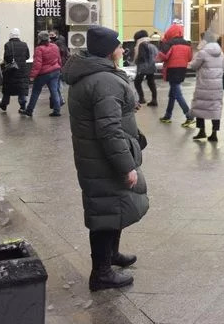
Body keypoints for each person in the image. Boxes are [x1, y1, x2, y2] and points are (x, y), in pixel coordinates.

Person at [63, 26, 148, 291]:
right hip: (104, 158)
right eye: (119, 46)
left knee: (113, 207)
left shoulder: (94, 75)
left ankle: (111, 256)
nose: (123, 50)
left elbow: (106, 113)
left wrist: (125, 105)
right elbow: (109, 129)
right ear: (110, 50)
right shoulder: (104, 80)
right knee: (106, 211)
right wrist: (126, 166)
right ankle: (101, 273)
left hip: (95, 155)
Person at [189, 32, 224, 141]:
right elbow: (223, 67)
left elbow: (194, 66)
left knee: (200, 105)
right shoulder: (221, 52)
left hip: (204, 84)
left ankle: (202, 131)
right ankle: (214, 133)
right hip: (217, 85)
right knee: (215, 108)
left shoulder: (203, 52)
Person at [157, 24, 194, 125]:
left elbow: (162, 57)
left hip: (172, 70)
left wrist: (162, 44)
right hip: (182, 69)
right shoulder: (187, 44)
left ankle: (189, 115)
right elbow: (190, 58)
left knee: (177, 94)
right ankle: (167, 116)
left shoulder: (169, 43)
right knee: (172, 94)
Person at [23, 31, 63, 117]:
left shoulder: (39, 49)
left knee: (36, 92)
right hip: (55, 71)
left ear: (40, 39)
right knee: (54, 91)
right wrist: (59, 67)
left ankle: (29, 110)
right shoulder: (55, 46)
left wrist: (32, 76)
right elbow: (59, 59)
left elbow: (37, 64)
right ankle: (57, 110)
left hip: (43, 74)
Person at [0, 28, 30, 113]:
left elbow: (7, 57)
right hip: (22, 70)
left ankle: (4, 104)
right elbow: (27, 56)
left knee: (8, 88)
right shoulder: (24, 44)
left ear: (10, 35)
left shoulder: (8, 44)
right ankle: (23, 106)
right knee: (21, 88)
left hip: (11, 71)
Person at [131, 30, 158, 107]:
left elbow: (141, 56)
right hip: (151, 66)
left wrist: (136, 61)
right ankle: (154, 99)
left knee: (137, 82)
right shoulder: (151, 44)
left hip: (143, 66)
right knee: (151, 82)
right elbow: (156, 54)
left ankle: (142, 98)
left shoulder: (141, 44)